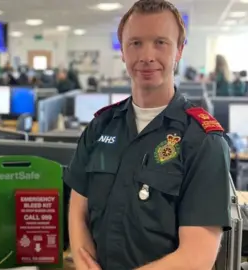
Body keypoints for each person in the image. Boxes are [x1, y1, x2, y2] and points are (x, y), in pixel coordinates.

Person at [65, 0, 231, 269]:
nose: (147, 56)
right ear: (123, 51)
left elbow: (197, 257)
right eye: (136, 43)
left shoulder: (203, 141)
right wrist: (83, 259)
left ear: (179, 51)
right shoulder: (101, 126)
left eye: (160, 42)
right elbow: (78, 207)